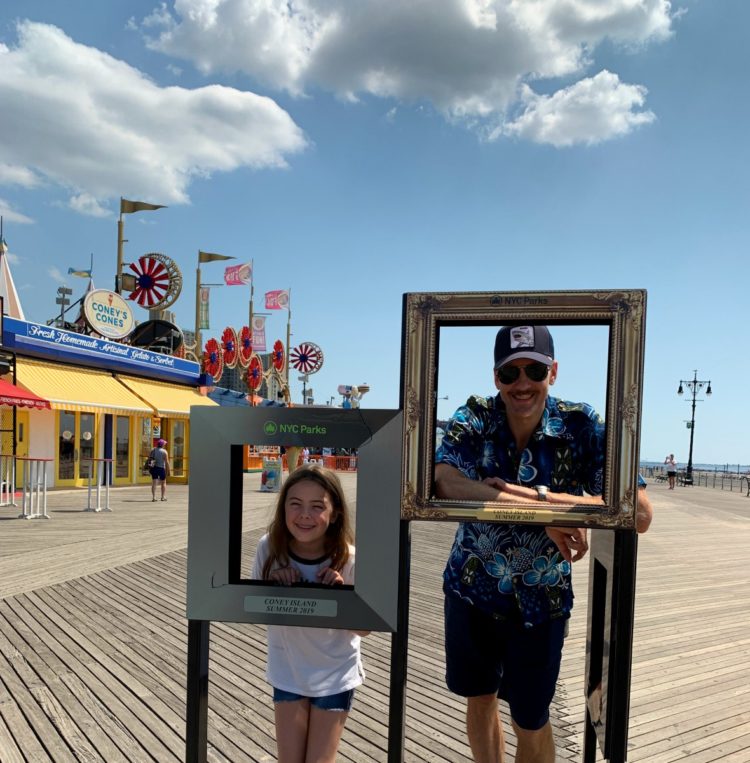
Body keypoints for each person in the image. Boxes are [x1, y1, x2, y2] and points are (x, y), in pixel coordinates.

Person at [434, 324, 652, 763]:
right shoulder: (476, 415)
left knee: (531, 716)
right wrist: (549, 516)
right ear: (496, 378)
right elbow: (444, 480)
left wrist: (541, 500)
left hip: (541, 599)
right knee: (479, 697)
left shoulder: (581, 424)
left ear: (552, 371)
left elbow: (638, 510)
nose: (522, 384)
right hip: (471, 586)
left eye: (533, 369)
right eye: (509, 373)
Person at [251, 464, 368, 763]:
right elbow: (254, 610)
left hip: (335, 673)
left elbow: (366, 628)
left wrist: (341, 596)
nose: (305, 515)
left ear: (335, 513)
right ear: (283, 508)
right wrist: (273, 589)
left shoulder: (349, 557)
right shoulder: (269, 549)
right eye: (296, 504)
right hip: (287, 670)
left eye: (317, 506)